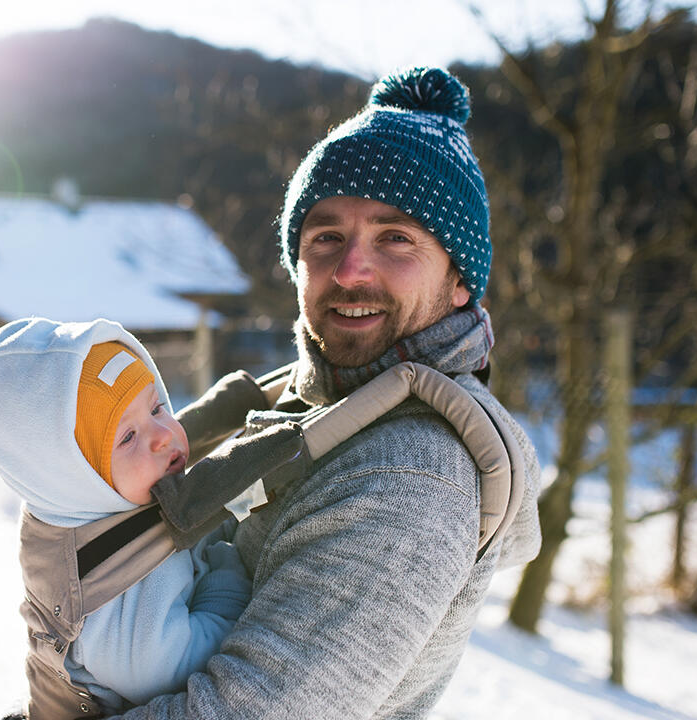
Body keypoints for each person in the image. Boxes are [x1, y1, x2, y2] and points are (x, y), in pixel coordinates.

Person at [108, 66, 542, 719]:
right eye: (326, 237)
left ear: (459, 280)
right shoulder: (307, 404)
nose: (349, 269)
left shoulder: (407, 472)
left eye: (396, 237)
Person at [0, 317, 252, 716]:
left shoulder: (110, 497)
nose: (164, 434)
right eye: (128, 436)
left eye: (157, 407)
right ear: (74, 477)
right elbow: (181, 665)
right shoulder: (107, 592)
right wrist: (229, 564)